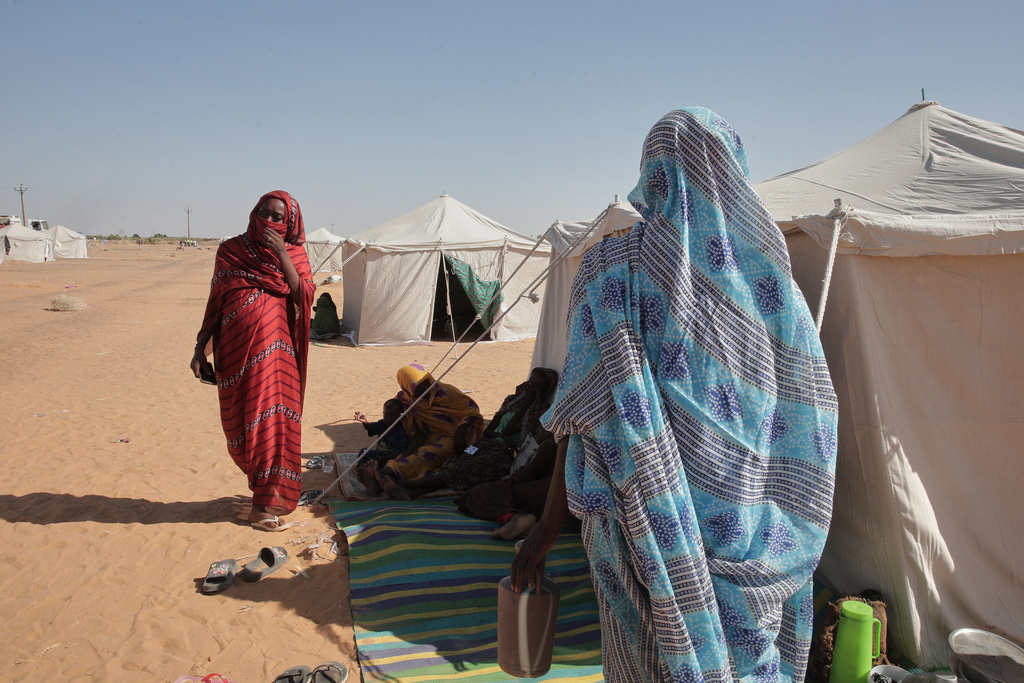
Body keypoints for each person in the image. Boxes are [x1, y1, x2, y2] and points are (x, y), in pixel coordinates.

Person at [510, 109, 839, 682]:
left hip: (642, 537)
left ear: (651, 171)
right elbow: (811, 430)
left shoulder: (610, 272)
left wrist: (546, 524)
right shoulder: (774, 286)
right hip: (757, 543)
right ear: (734, 170)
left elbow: (579, 414)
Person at [190, 191, 315, 532]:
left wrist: (280, 255)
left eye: (278, 217)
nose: (270, 221)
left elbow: (303, 293)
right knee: (239, 429)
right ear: (254, 212)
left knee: (272, 424)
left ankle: (263, 506)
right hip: (233, 355)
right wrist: (200, 347)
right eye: (265, 213)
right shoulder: (231, 250)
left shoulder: (295, 253)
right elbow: (216, 300)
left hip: (276, 358)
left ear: (289, 224)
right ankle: (260, 489)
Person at [379, 367, 558, 500]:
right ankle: (413, 490)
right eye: (531, 382)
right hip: (488, 444)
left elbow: (511, 429)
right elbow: (489, 430)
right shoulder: (511, 401)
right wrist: (500, 435)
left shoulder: (540, 410)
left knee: (463, 469)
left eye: (537, 385)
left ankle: (406, 485)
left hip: (506, 454)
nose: (531, 387)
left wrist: (527, 404)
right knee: (458, 462)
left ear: (545, 390)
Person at [360, 364, 483, 497]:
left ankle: (386, 478)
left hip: (449, 437)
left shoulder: (446, 393)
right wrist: (414, 439)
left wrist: (461, 431)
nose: (426, 389)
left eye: (426, 383)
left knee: (425, 454)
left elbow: (471, 410)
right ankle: (383, 475)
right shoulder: (405, 399)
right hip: (421, 438)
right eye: (419, 388)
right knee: (407, 455)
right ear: (407, 389)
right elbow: (391, 415)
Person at [456, 425, 559, 539]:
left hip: (499, 450)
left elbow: (528, 473)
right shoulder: (506, 410)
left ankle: (516, 518)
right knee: (464, 461)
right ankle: (518, 521)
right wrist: (501, 434)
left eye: (540, 428)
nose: (535, 430)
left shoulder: (551, 445)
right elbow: (488, 431)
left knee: (481, 489)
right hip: (485, 445)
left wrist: (505, 438)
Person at [354, 398, 410, 468]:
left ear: (400, 416)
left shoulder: (402, 432)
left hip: (389, 458)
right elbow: (370, 427)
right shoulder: (382, 424)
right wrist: (365, 422)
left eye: (393, 415)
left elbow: (398, 453)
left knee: (393, 465)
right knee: (363, 452)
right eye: (386, 415)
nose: (389, 418)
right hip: (378, 454)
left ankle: (377, 472)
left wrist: (384, 458)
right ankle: (362, 468)